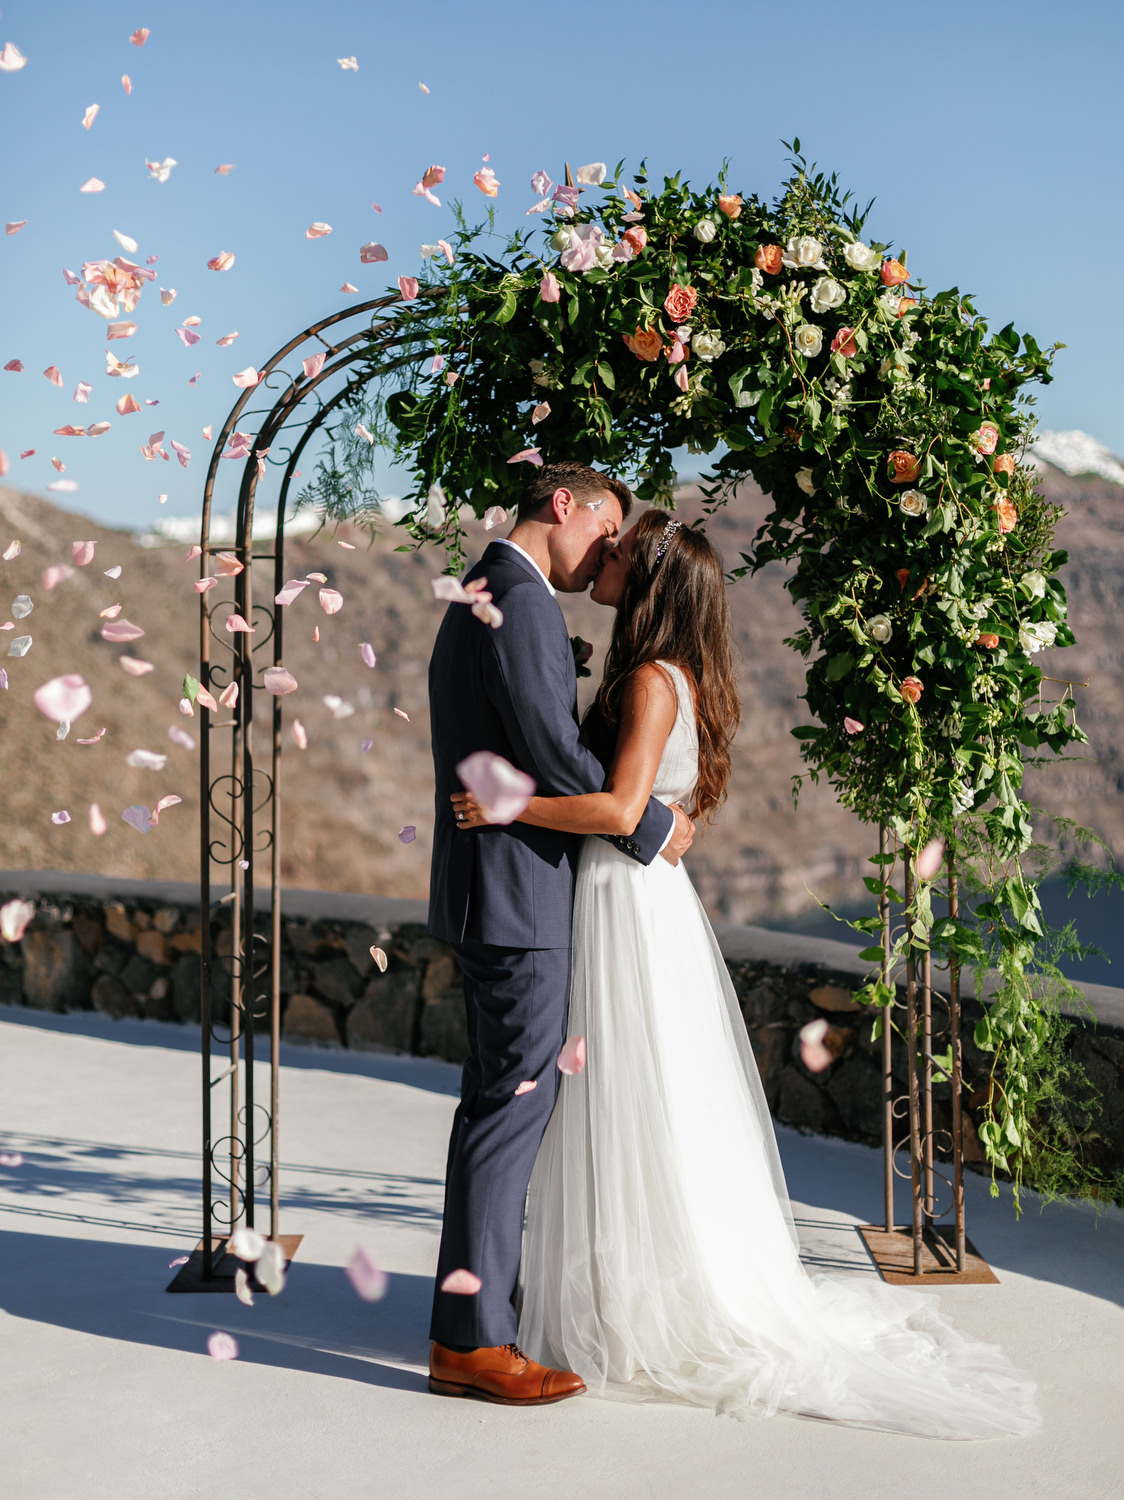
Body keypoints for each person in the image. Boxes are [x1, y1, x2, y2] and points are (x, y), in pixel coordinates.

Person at [451, 509, 1041, 1439]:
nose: (604, 561)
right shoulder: (668, 676)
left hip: (624, 901)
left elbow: (617, 806)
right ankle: (615, 1289)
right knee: (635, 1102)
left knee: (630, 1099)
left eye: (620, 554)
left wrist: (511, 801)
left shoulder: (649, 680)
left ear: (647, 584)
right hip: (634, 900)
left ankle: (634, 1304)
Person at [426, 461, 696, 1406]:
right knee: (511, 1110)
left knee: (493, 1106)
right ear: (565, 505)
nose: (605, 554)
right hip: (518, 898)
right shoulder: (523, 601)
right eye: (605, 529)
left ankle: (471, 1318)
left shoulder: (487, 591)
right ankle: (474, 1343)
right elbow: (548, 747)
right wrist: (652, 825)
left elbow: (524, 748)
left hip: (494, 888)